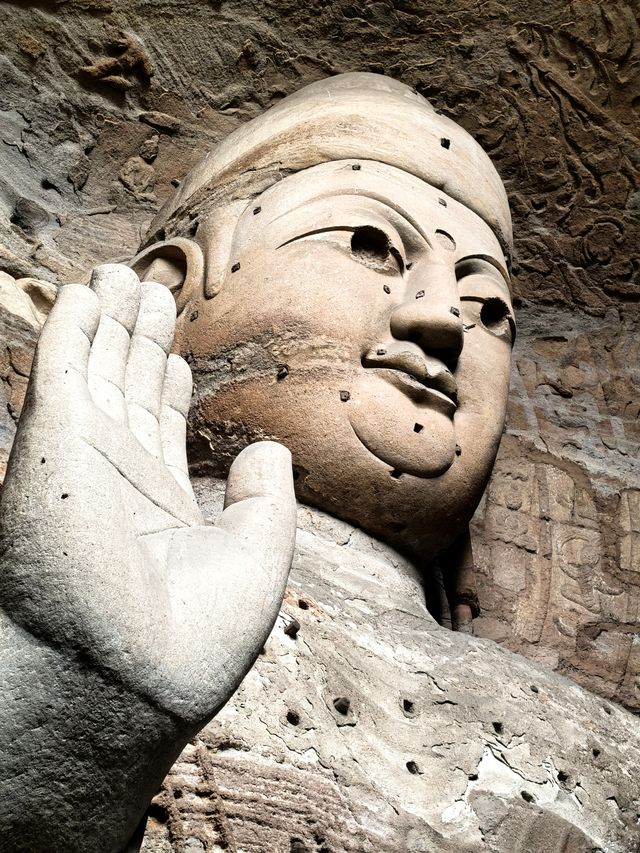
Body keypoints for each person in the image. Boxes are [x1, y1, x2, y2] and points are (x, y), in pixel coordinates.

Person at [0, 74, 637, 852]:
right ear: (173, 287)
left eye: (489, 308)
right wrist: (68, 706)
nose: (441, 319)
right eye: (372, 245)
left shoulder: (600, 755)